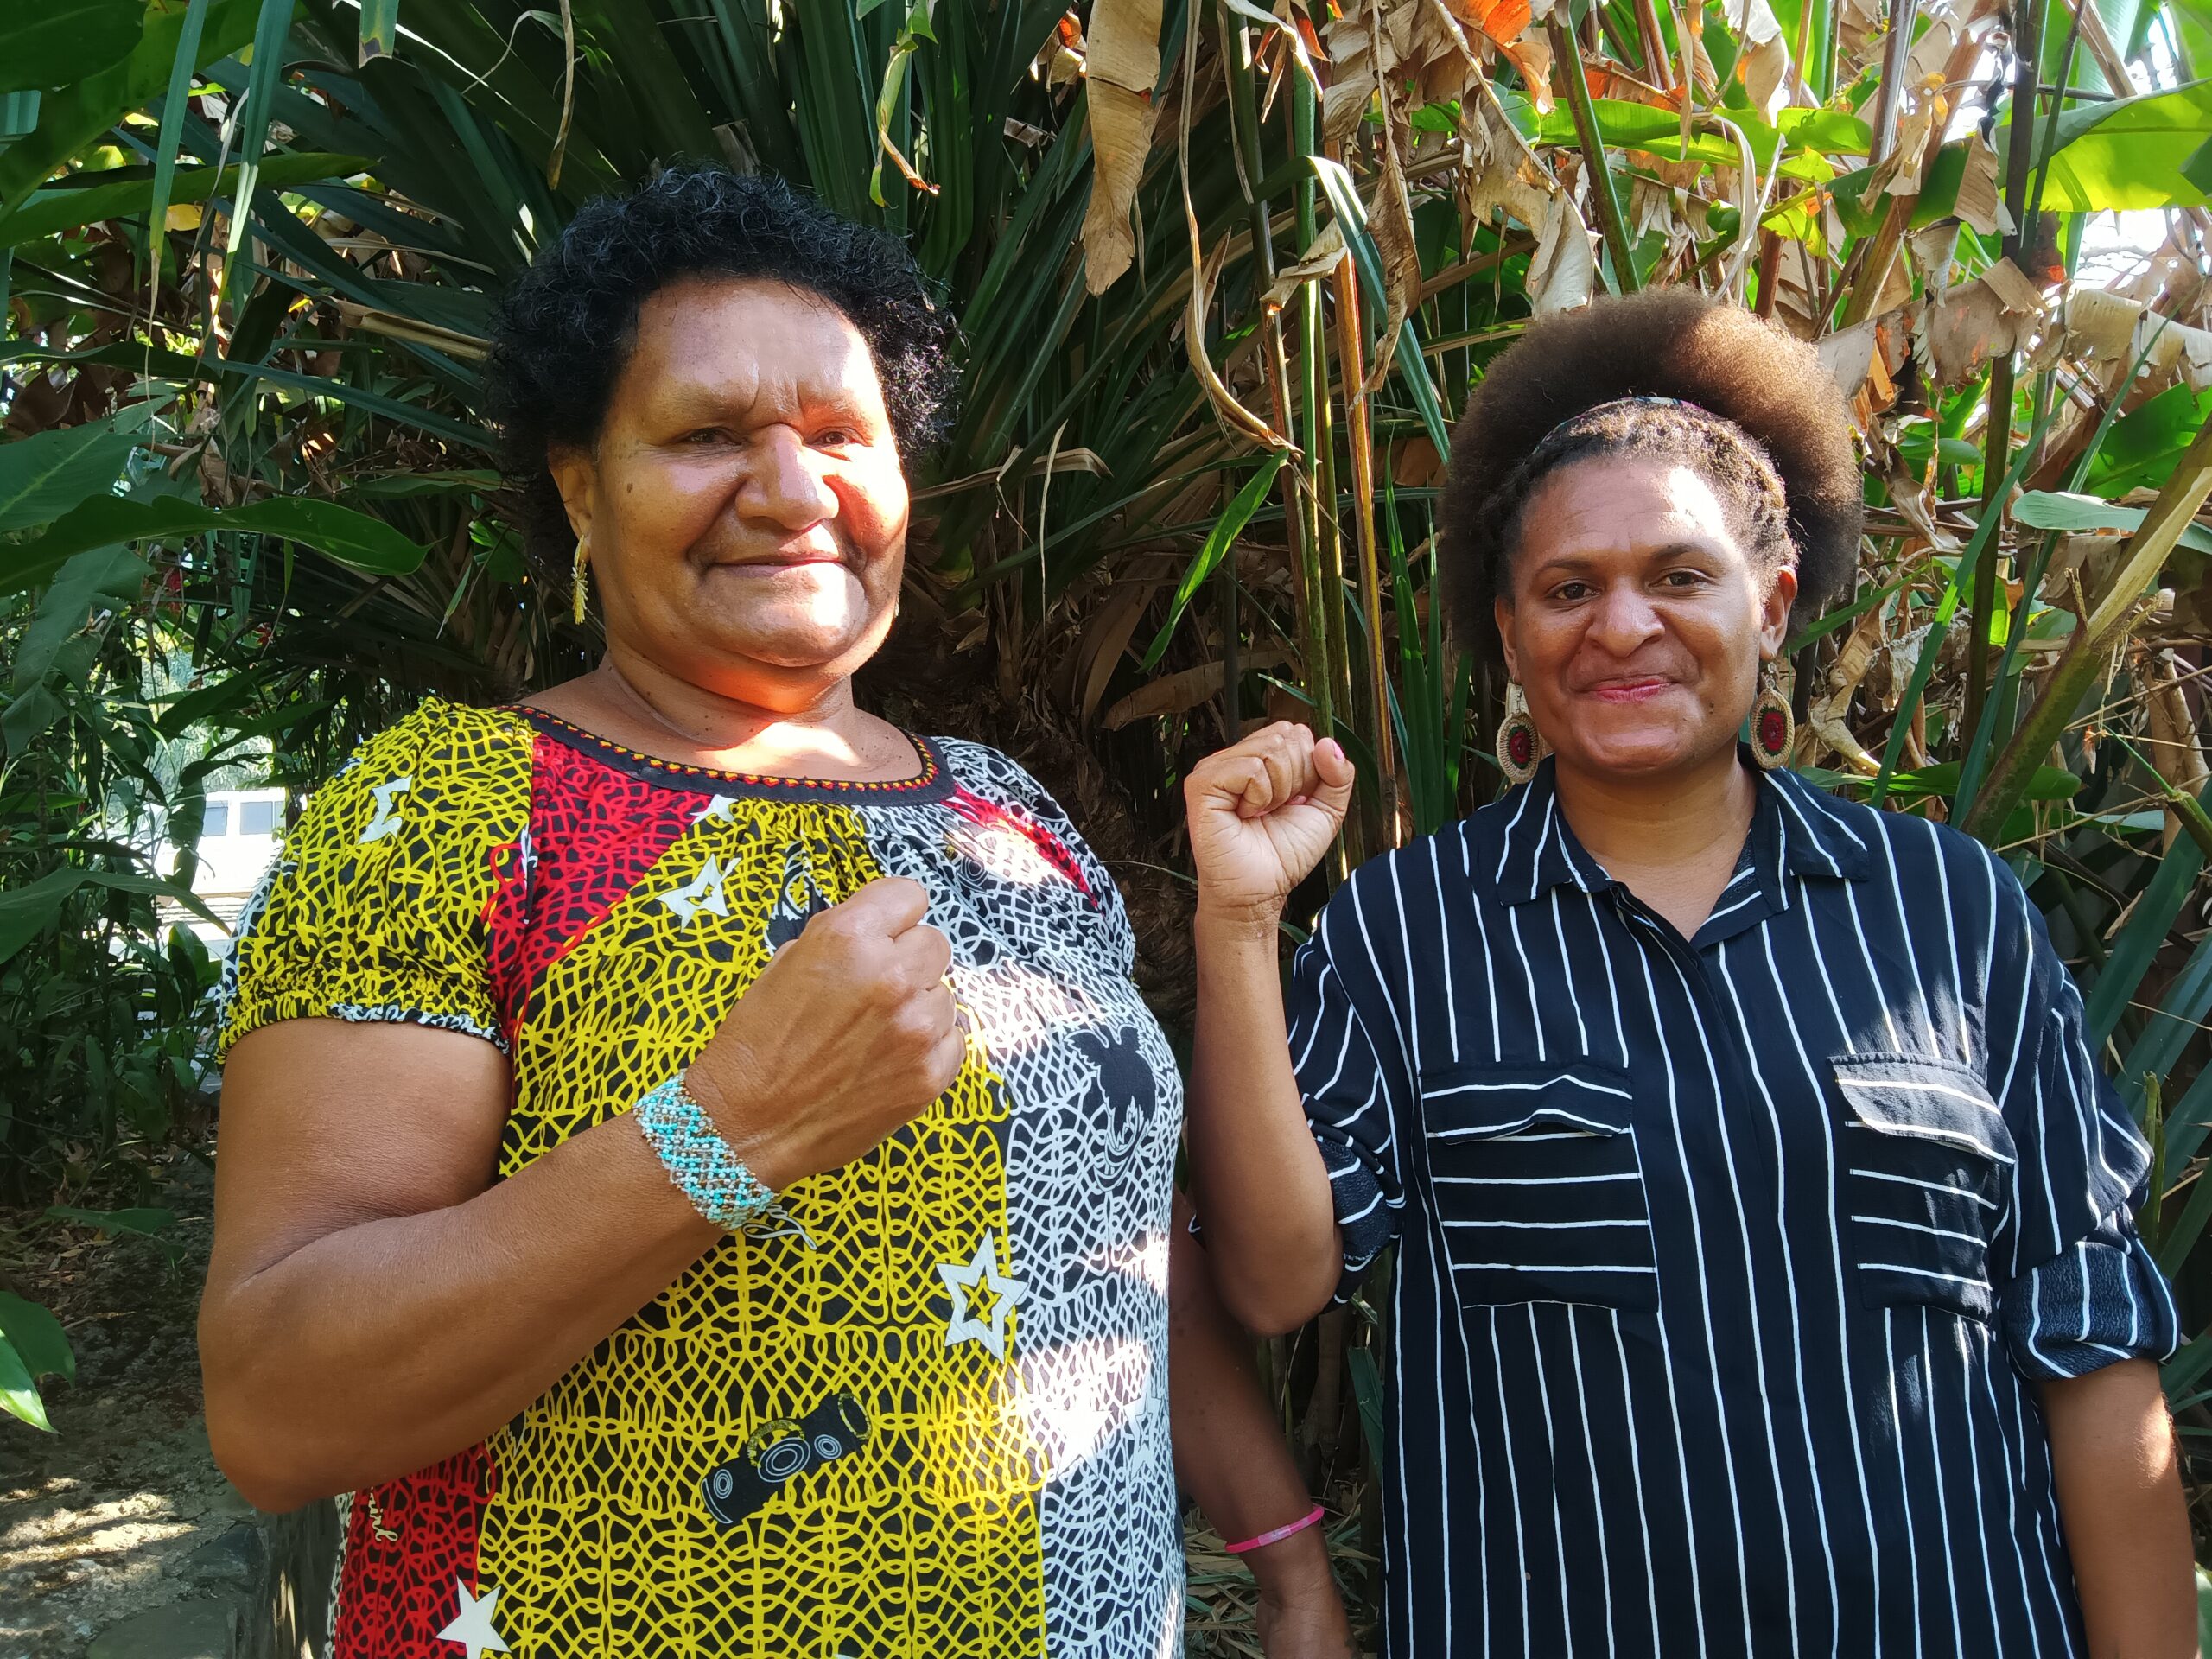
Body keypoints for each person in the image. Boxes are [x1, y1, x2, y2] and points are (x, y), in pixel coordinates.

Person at [198, 168, 1349, 1659]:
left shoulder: (1009, 812)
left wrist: (1285, 1557)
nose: (795, 492)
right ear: (578, 485)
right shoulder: (453, 809)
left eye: (842, 436)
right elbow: (278, 1407)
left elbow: (1115, 1256)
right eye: (707, 436)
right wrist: (726, 1131)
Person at [1180, 289, 2193, 1656]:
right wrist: (1241, 922)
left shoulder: (1945, 910)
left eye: (1677, 575)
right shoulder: (1408, 934)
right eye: (1569, 588)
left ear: (1771, 604)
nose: (1622, 625)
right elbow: (1273, 1283)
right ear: (1509, 633)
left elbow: (2089, 1332)